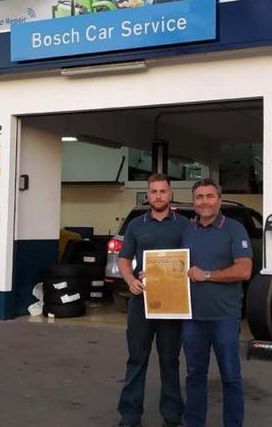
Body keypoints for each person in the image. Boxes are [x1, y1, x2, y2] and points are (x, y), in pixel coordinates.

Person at [116, 173, 190, 427]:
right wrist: (130, 281)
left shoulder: (185, 225)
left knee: (170, 360)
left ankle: (172, 417)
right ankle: (129, 415)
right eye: (154, 191)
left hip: (172, 304)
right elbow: (124, 259)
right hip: (141, 302)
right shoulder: (137, 225)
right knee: (137, 358)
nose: (158, 196)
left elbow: (191, 260)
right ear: (147, 195)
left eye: (163, 191)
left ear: (170, 194)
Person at [180, 178, 253, 427]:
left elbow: (244, 270)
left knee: (231, 377)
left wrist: (207, 275)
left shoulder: (234, 229)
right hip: (192, 318)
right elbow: (175, 266)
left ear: (219, 200)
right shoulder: (188, 230)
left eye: (210, 196)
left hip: (224, 316)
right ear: (194, 201)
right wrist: (153, 274)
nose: (204, 202)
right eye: (199, 197)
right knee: (194, 376)